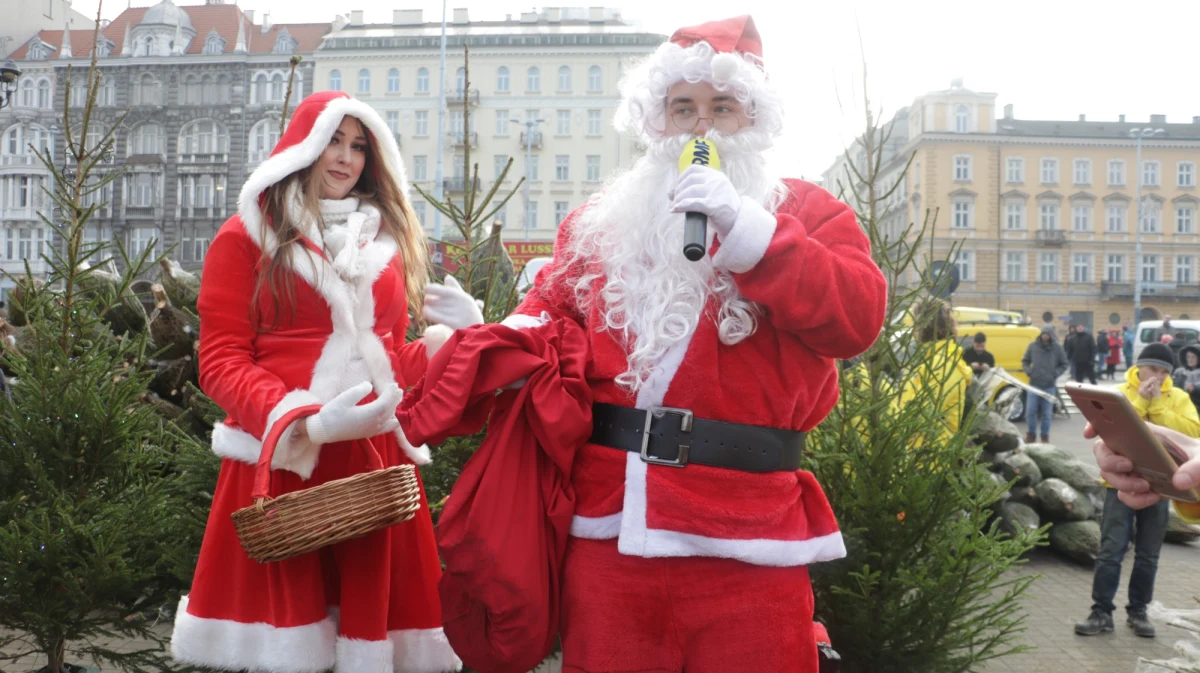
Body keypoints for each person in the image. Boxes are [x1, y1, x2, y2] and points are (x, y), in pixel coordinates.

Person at [489, 16, 887, 672]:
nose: (701, 127)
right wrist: (486, 340)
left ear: (752, 118)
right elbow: (545, 323)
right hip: (611, 537)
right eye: (683, 108)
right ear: (656, 122)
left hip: (749, 541)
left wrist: (752, 234)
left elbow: (859, 316)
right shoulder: (598, 226)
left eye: (721, 108)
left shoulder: (806, 212)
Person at [170, 91, 481, 672]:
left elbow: (387, 362)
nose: (345, 158)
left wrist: (460, 341)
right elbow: (219, 359)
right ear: (301, 146)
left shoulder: (382, 242)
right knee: (292, 650)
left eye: (359, 146)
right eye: (332, 141)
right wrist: (305, 421)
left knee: (372, 645)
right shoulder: (246, 238)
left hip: (376, 462)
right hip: (288, 459)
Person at [1076, 343, 1200, 638]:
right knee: (1111, 550)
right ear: (1139, 366)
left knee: (1148, 554)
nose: (1157, 376)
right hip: (1119, 485)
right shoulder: (1119, 392)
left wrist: (1156, 405)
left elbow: (1192, 433)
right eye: (1152, 368)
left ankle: (1139, 611)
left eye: (1163, 371)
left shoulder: (1179, 396)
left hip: (1161, 485)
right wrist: (1142, 403)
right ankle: (1101, 611)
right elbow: (1108, 428)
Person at [1021, 325, 1068, 443]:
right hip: (1034, 384)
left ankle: (1044, 436)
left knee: (1047, 414)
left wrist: (1055, 374)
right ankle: (1031, 434)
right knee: (1030, 411)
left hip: (1049, 385)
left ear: (1051, 335)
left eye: (1047, 334)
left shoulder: (1057, 348)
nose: (1045, 336)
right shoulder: (1033, 346)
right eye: (1043, 333)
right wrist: (1029, 371)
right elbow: (1025, 361)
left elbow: (1064, 364)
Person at [1173, 344, 1200, 412]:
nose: (1190, 359)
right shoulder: (1179, 372)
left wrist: (1195, 388)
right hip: (1181, 405)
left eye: (1193, 357)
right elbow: (1173, 385)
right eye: (1188, 357)